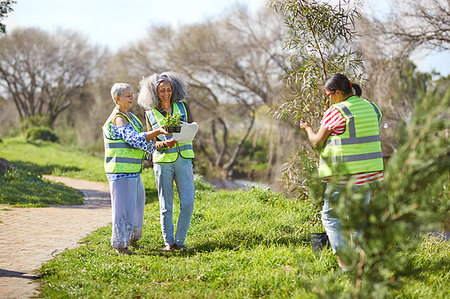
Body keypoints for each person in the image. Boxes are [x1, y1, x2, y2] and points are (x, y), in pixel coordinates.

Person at [300, 73, 384, 270]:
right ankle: (361, 263)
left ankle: (346, 265)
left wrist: (308, 129)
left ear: (338, 92)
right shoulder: (373, 108)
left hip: (345, 175)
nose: (327, 99)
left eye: (328, 95)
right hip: (370, 174)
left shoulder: (336, 111)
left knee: (331, 217)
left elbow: (317, 142)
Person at [103, 83, 170, 255]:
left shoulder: (132, 118)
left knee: (136, 207)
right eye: (127, 95)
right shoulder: (118, 118)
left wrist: (162, 144)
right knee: (123, 210)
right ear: (117, 98)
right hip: (120, 172)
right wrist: (157, 132)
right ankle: (120, 245)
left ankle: (131, 239)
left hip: (133, 171)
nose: (131, 98)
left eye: (132, 94)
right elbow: (135, 140)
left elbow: (146, 144)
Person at [137, 72, 195, 251]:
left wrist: (190, 132)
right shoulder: (150, 114)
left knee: (188, 202)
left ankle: (180, 241)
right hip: (163, 161)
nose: (166, 93)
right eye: (162, 90)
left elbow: (192, 128)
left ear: (174, 89)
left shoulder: (183, 107)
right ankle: (169, 243)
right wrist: (164, 144)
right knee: (165, 205)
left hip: (184, 159)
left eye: (169, 90)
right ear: (155, 92)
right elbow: (153, 143)